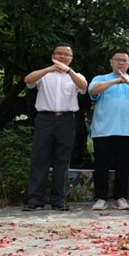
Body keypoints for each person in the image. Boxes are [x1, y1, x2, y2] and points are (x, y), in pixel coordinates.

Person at [23, 44, 87, 211]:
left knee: (62, 161)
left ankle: (59, 200)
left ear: (71, 58)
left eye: (66, 55)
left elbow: (83, 87)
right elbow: (28, 81)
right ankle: (35, 200)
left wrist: (68, 71)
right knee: (39, 159)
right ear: (53, 55)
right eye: (59, 54)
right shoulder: (44, 74)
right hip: (45, 119)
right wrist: (50, 68)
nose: (62, 57)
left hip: (66, 119)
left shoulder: (75, 76)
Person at [89, 50, 129, 211]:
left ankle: (120, 197)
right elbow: (92, 91)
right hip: (103, 130)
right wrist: (115, 81)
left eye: (124, 60)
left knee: (124, 166)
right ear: (111, 62)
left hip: (127, 131)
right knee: (101, 165)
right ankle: (101, 197)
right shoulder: (101, 79)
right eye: (118, 60)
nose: (121, 63)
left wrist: (127, 81)